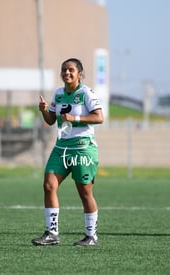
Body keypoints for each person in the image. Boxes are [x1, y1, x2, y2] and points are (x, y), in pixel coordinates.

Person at [32, 58, 104, 246]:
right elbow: (50, 121)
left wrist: (76, 118)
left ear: (79, 73)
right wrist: (45, 110)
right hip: (61, 147)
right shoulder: (58, 94)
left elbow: (99, 117)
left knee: (85, 193)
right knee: (48, 185)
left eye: (71, 70)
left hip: (83, 149)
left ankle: (91, 236)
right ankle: (52, 233)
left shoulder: (86, 93)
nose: (67, 73)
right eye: (64, 70)